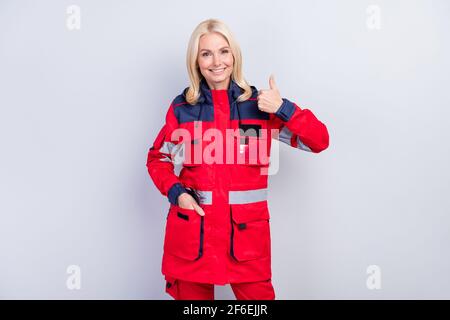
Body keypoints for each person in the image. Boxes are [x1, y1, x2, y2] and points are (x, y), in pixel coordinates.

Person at [146, 18, 329, 300]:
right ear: (196, 61)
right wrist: (177, 193)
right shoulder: (182, 109)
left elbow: (319, 141)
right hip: (194, 237)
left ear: (235, 56)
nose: (216, 61)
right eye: (206, 53)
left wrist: (283, 108)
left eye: (223, 51)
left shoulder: (260, 106)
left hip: (245, 244)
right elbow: (158, 159)